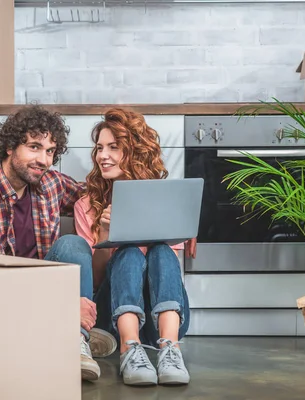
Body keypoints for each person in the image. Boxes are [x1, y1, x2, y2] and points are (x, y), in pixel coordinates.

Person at [0, 104, 117, 381]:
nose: (44, 160)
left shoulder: (49, 184)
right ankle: (67, 331)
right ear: (10, 147)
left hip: (39, 299)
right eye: (34, 147)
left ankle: (77, 342)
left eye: (50, 151)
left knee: (72, 244)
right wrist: (64, 303)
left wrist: (164, 218)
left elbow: (99, 196)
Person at [74, 108, 197, 386]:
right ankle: (130, 349)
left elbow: (168, 273)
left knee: (162, 251)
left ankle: (170, 349)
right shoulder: (87, 205)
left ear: (135, 152)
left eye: (113, 148)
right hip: (113, 318)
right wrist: (107, 235)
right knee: (128, 252)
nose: (102, 156)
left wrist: (186, 225)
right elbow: (94, 280)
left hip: (164, 317)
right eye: (99, 148)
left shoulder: (165, 199)